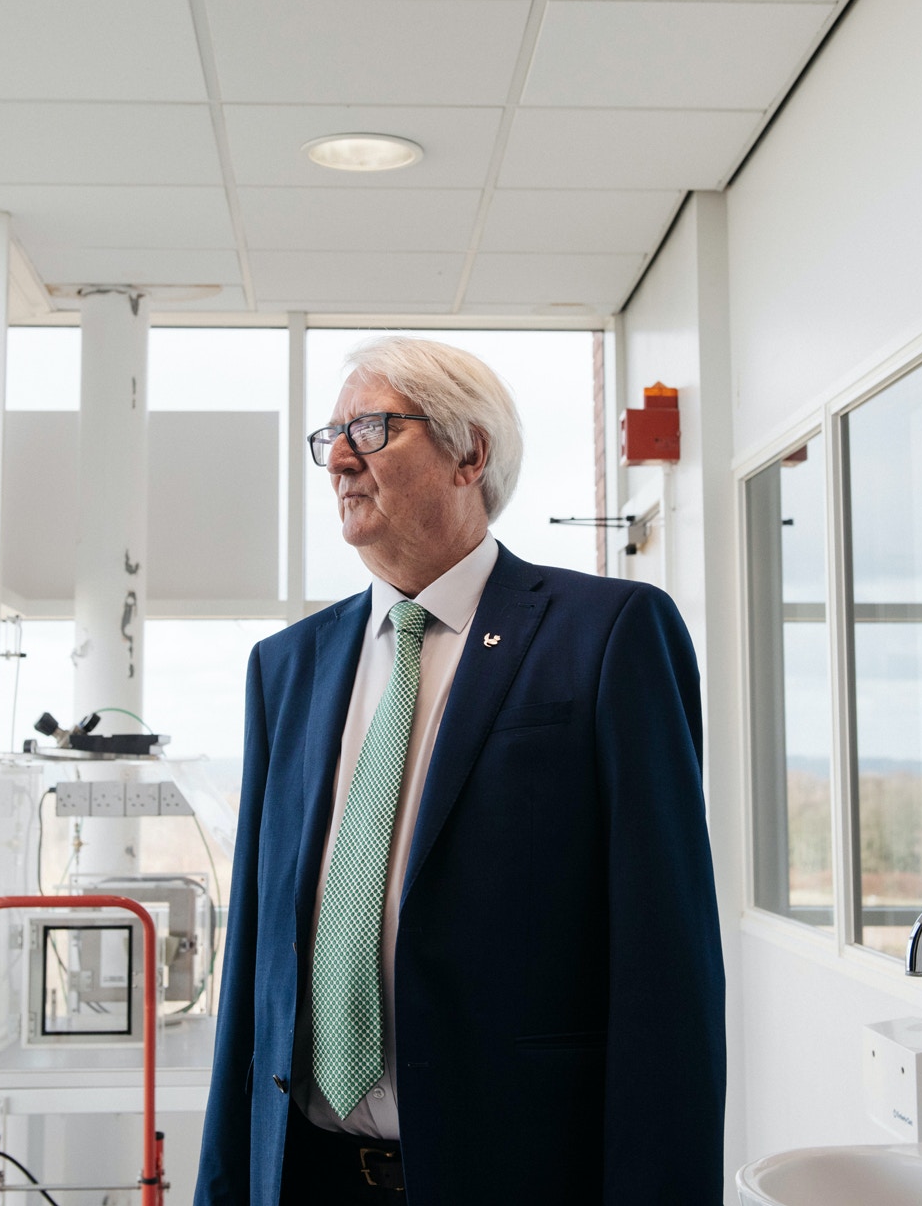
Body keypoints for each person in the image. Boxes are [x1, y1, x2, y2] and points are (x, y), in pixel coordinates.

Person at [195, 337, 724, 1205]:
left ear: (468, 453)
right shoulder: (285, 667)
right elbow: (256, 963)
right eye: (329, 434)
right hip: (306, 1173)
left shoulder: (608, 635)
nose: (338, 457)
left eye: (371, 426)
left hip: (518, 1174)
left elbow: (668, 977)